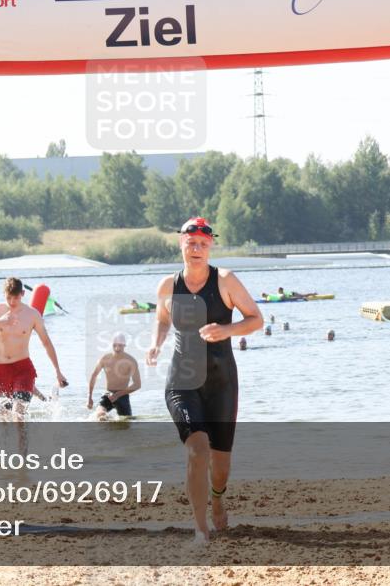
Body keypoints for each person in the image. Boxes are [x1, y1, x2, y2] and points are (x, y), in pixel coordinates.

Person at [146, 217, 263, 544]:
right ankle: (200, 529)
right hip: (182, 381)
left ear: (210, 246)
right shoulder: (167, 286)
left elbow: (256, 319)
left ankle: (217, 498)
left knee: (220, 465)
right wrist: (155, 343)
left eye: (202, 244)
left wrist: (226, 330)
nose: (196, 249)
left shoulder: (225, 280)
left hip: (221, 381)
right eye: (191, 243)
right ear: (181, 244)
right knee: (197, 450)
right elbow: (162, 319)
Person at [0, 277, 68, 420]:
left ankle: (23, 435)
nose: (12, 302)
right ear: (4, 294)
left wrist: (58, 371)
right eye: (8, 298)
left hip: (23, 369)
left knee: (18, 417)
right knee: (3, 418)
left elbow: (46, 343)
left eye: (16, 298)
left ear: (22, 294)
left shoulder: (32, 314)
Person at [87, 333, 141, 419]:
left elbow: (137, 384)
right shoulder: (105, 359)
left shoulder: (131, 361)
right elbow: (94, 376)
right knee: (100, 414)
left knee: (127, 422)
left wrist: (117, 395)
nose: (117, 348)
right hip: (108, 394)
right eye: (114, 345)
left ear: (124, 345)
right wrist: (89, 397)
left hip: (123, 396)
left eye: (120, 345)